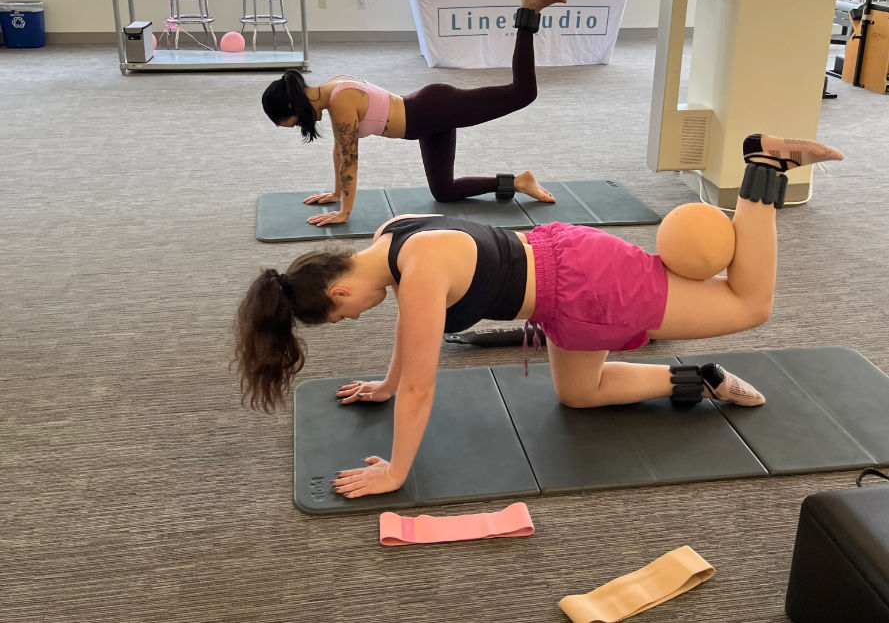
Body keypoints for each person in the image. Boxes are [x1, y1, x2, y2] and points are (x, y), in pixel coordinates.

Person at [234, 134, 844, 498]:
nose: (358, 319)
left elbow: (425, 385)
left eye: (344, 319)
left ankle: (762, 168)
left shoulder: (419, 276)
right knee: (579, 393)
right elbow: (407, 345)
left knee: (748, 304)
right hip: (563, 281)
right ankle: (699, 378)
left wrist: (396, 472)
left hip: (592, 285)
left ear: (337, 294)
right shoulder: (393, 236)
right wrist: (384, 385)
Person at [260, 0, 566, 226]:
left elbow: (350, 161)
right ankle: (519, 182)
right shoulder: (331, 89)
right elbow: (341, 150)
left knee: (522, 93)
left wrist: (344, 212)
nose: (301, 126)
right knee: (443, 192)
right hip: (428, 121)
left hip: (435, 109)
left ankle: (528, 11)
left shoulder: (339, 100)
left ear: (293, 105)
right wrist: (335, 192)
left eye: (294, 122)